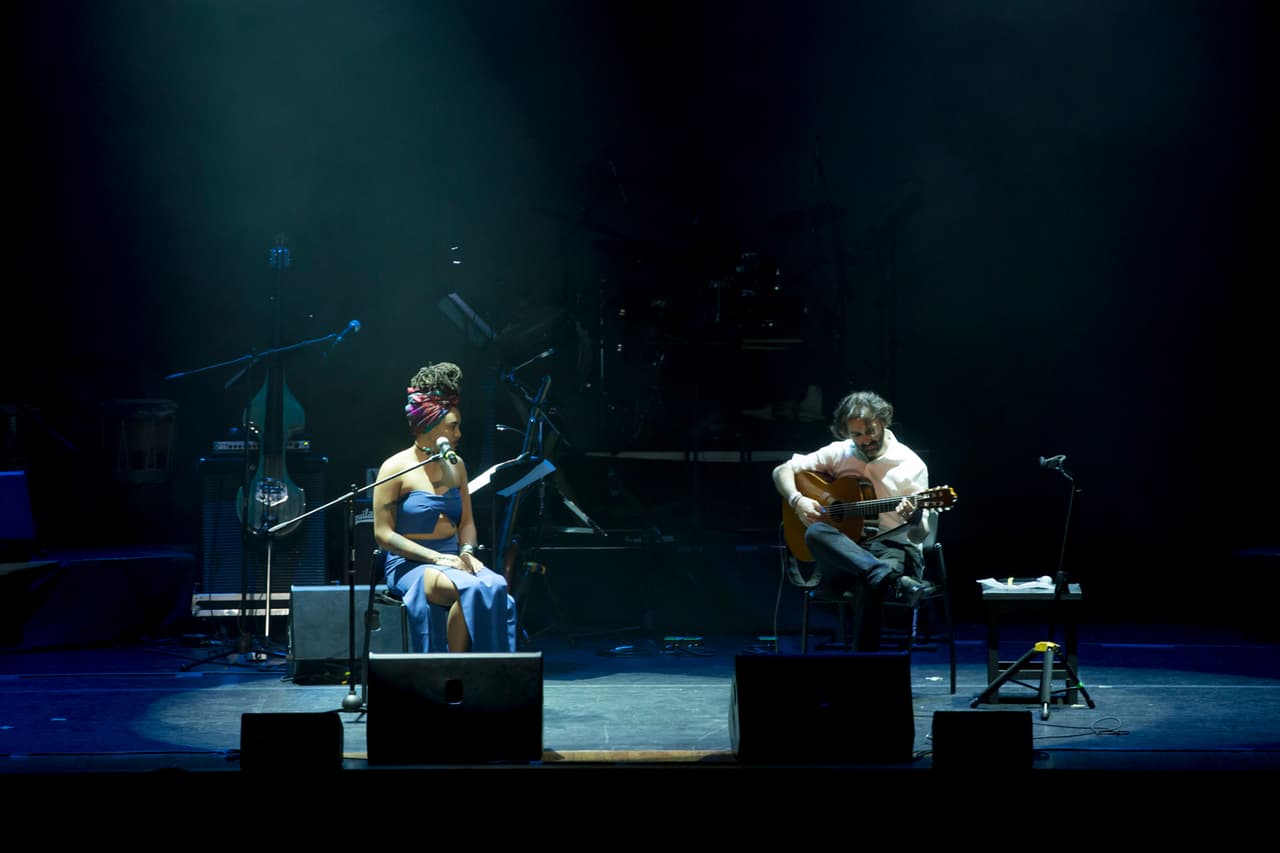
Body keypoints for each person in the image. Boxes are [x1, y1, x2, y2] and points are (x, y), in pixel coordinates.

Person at [772, 389, 936, 650]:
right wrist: (797, 500)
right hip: (846, 550)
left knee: (868, 582)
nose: (865, 440)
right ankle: (892, 581)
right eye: (856, 435)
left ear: (883, 421)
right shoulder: (840, 452)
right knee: (815, 533)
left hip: (892, 548)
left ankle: (862, 668)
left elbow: (919, 535)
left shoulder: (910, 465)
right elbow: (782, 470)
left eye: (870, 431)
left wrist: (915, 516)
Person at [373, 361, 516, 653]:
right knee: (471, 591)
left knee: (498, 588)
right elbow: (383, 535)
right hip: (411, 565)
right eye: (453, 426)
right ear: (429, 425)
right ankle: (453, 669)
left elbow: (466, 522)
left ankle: (492, 674)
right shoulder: (394, 467)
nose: (459, 434)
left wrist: (465, 552)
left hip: (453, 560)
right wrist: (436, 559)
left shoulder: (457, 465)